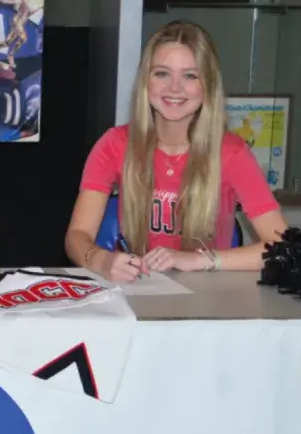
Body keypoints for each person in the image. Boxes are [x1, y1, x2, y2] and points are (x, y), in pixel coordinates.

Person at [65, 21, 286, 283]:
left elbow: (283, 249)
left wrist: (197, 260)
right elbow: (77, 236)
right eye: (162, 73)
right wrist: (101, 260)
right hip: (137, 291)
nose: (174, 88)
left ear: (208, 86)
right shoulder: (114, 144)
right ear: (145, 81)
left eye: (190, 76)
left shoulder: (232, 153)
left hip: (210, 297)